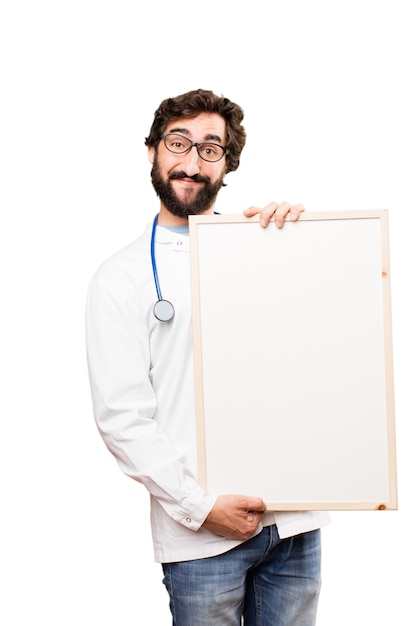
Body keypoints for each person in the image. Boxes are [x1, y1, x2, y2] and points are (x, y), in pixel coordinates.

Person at [85, 88, 330, 625]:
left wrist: (310, 243)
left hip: (293, 524)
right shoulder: (119, 279)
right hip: (201, 537)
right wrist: (202, 508)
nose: (192, 163)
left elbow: (322, 344)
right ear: (152, 151)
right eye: (179, 143)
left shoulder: (266, 245)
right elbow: (122, 418)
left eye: (210, 149)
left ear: (227, 164)